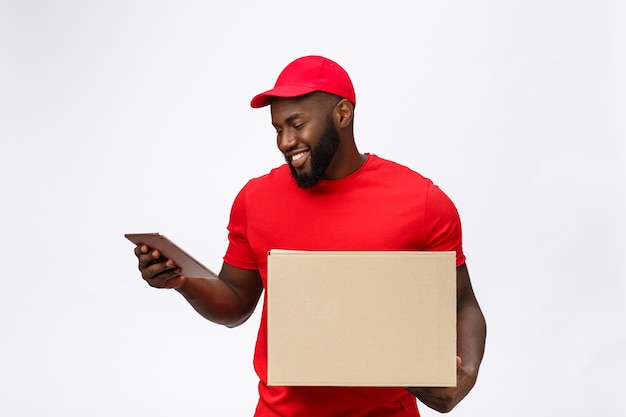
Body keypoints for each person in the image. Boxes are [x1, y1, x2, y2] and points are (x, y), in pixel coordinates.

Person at [134, 55, 486, 416]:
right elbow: (237, 304)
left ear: (343, 114)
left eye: (297, 124)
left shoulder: (422, 201)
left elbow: (462, 304)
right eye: (277, 129)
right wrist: (182, 281)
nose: (285, 141)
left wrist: (465, 374)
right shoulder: (255, 200)